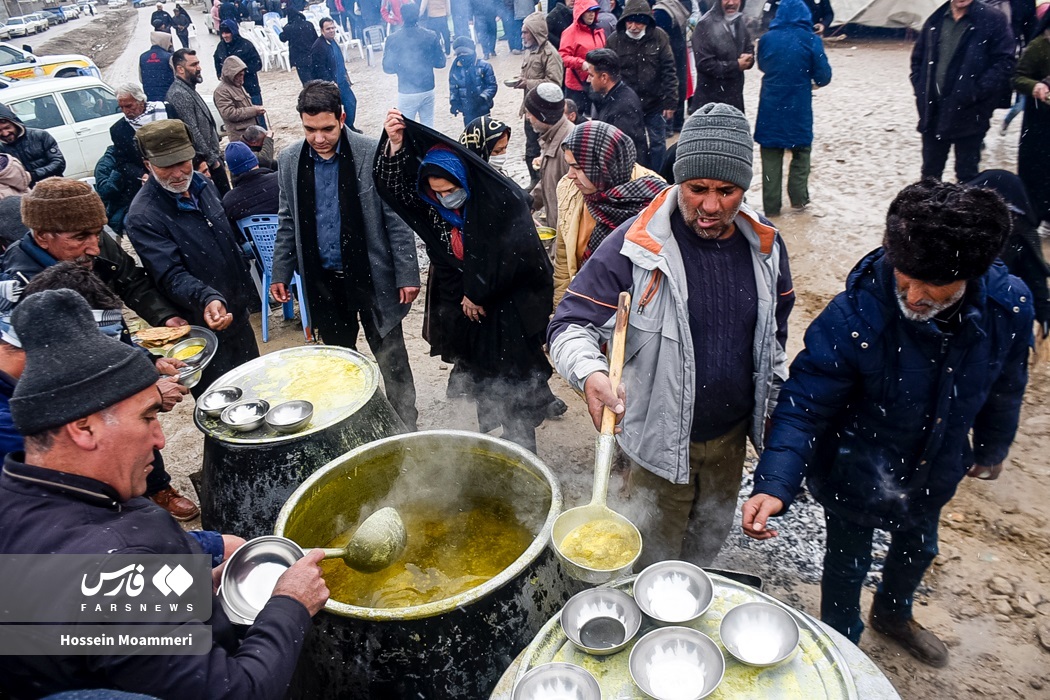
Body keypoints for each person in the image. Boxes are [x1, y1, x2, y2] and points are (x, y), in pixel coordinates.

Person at [742, 180, 1032, 667]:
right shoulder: (853, 317)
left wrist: (992, 447)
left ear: (971, 275)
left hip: (935, 467)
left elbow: (1005, 384)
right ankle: (842, 646)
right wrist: (774, 483)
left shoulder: (1007, 308)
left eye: (933, 285)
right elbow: (806, 404)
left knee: (920, 547)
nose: (914, 297)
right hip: (853, 471)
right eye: (906, 278)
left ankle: (894, 614)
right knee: (846, 564)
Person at [0, 288, 330, 698]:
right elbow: (238, 692)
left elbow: (77, 615)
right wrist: (290, 604)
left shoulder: (22, 496)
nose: (159, 439)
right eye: (147, 417)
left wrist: (191, 585)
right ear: (83, 428)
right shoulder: (113, 571)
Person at [549, 104, 794, 567]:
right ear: (678, 181)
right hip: (656, 445)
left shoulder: (765, 246)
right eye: (697, 189)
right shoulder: (635, 245)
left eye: (726, 191)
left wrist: (775, 416)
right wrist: (590, 373)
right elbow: (568, 326)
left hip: (730, 443)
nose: (710, 205)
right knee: (653, 558)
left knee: (705, 549)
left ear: (744, 188)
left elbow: (774, 338)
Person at [0, 178, 200, 519]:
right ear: (42, 235)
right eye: (81, 237)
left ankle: (155, 486)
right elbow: (63, 381)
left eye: (97, 233)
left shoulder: (86, 248)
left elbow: (116, 316)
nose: (94, 247)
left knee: (138, 429)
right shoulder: (21, 288)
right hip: (80, 421)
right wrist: (145, 391)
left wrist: (148, 360)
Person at [377, 109, 557, 450]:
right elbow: (397, 192)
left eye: (450, 190)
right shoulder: (439, 213)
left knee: (515, 388)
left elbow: (517, 260)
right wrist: (396, 146)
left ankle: (523, 451)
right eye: (437, 193)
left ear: (465, 181)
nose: (445, 198)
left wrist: (478, 292)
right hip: (470, 315)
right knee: (485, 382)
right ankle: (501, 447)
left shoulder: (497, 203)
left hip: (507, 312)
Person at [272, 83, 420, 428]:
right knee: (339, 362)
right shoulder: (290, 160)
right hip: (324, 282)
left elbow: (396, 218)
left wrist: (407, 274)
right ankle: (353, 424)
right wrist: (281, 270)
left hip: (372, 277)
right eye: (310, 130)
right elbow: (287, 219)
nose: (319, 138)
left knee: (392, 359)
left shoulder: (371, 151)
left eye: (327, 129)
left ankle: (406, 424)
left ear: (341, 118)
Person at [125, 120, 259, 396]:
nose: (177, 173)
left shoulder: (203, 184)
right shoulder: (143, 216)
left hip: (237, 312)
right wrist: (207, 297)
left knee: (257, 388)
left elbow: (226, 237)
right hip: (200, 330)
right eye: (166, 166)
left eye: (182, 162)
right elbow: (170, 275)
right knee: (221, 402)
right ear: (147, 164)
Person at [552, 120, 666, 306]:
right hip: (582, 304)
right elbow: (564, 261)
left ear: (603, 165)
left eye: (578, 167)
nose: (570, 175)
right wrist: (560, 310)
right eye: (569, 165)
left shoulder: (655, 196)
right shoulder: (568, 188)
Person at [910, 0, 1015, 182]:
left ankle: (962, 202)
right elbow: (918, 59)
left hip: (970, 112)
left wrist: (976, 92)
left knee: (967, 176)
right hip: (933, 110)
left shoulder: (992, 19)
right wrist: (921, 89)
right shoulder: (936, 19)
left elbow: (1005, 62)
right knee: (929, 175)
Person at [754, 0, 832, 216]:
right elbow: (824, 76)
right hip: (799, 107)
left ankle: (771, 209)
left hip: (770, 105)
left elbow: (762, 66)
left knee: (770, 155)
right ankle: (799, 202)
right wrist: (808, 80)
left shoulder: (766, 39)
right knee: (801, 152)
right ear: (805, 16)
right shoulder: (812, 40)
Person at [967, 169, 1050, 342]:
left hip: (995, 314)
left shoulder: (1022, 233)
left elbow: (1035, 275)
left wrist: (1043, 311)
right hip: (979, 313)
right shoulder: (956, 227)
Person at [605, 0, 677, 170]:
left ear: (646, 22)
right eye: (630, 22)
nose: (633, 27)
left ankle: (658, 174)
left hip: (654, 101)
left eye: (639, 22)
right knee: (630, 142)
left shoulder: (659, 37)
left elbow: (669, 69)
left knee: (658, 142)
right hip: (627, 104)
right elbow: (607, 71)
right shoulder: (614, 40)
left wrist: (670, 101)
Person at [166, 49, 230, 195]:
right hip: (205, 163)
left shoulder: (188, 88)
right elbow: (192, 130)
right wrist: (212, 160)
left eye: (198, 63)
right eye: (193, 65)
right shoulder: (178, 93)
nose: (199, 68)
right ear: (180, 69)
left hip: (211, 158)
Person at [515, 11, 563, 186]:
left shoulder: (551, 54)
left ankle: (547, 183)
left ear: (535, 32)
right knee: (530, 149)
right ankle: (534, 182)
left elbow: (555, 83)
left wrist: (528, 83)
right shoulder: (529, 51)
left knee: (545, 149)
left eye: (525, 32)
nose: (522, 35)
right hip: (530, 110)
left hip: (545, 113)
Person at [1013, 11, 1050, 224]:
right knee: (1037, 170)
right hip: (1040, 122)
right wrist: (1035, 86)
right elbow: (1017, 77)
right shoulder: (1039, 46)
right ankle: (1033, 215)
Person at [383, 4, 446, 128]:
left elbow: (387, 68)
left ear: (402, 16)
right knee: (428, 126)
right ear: (418, 15)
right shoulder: (430, 35)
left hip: (407, 91)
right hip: (427, 88)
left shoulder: (393, 39)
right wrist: (426, 60)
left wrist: (401, 66)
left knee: (405, 128)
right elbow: (441, 63)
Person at [112, 83, 172, 208]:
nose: (125, 111)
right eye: (121, 107)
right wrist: (142, 175)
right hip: (149, 183)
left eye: (129, 106)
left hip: (175, 170)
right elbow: (122, 162)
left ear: (141, 101)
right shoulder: (119, 130)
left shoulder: (165, 111)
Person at [584, 49, 648, 165]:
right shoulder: (612, 96)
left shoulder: (623, 108)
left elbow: (624, 152)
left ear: (604, 77)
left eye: (591, 75)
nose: (588, 80)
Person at [691, 0, 754, 114]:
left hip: (735, 99)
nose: (731, 3)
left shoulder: (739, 20)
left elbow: (748, 46)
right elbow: (704, 64)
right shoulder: (705, 24)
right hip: (710, 103)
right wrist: (736, 66)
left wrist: (749, 58)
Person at [526, 83, 574, 229]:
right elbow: (550, 181)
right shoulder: (552, 137)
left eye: (530, 113)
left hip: (568, 233)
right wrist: (529, 204)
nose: (527, 117)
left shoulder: (568, 145)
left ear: (542, 116)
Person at [309, 17, 360, 130]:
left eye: (333, 28)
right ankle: (341, 130)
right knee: (333, 109)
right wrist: (330, 82)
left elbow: (339, 60)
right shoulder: (318, 46)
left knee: (351, 102)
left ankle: (349, 127)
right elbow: (319, 68)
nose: (331, 31)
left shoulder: (333, 41)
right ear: (322, 30)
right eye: (328, 29)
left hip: (341, 81)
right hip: (330, 85)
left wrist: (346, 75)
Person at [0, 103, 64, 186]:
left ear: (15, 124)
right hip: (24, 191)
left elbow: (59, 163)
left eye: (7, 128)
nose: (5, 133)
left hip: (54, 186)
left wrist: (33, 175)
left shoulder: (40, 135)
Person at [560, 0, 606, 115]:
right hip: (576, 86)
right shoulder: (570, 32)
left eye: (594, 11)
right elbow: (563, 57)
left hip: (595, 83)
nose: (592, 14)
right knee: (575, 118)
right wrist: (582, 64)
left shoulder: (598, 31)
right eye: (588, 11)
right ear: (580, 12)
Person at [222, 141, 280, 228]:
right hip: (288, 233)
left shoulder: (229, 201)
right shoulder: (279, 180)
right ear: (255, 161)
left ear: (232, 171)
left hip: (253, 237)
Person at [652, 0, 690, 132]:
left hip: (668, 54)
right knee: (678, 82)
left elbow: (658, 38)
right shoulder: (678, 6)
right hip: (679, 52)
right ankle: (678, 122)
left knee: (668, 82)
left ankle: (668, 125)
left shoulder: (661, 11)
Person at [214, 20, 266, 115]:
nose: (225, 36)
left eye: (227, 32)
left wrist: (241, 72)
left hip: (250, 88)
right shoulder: (221, 46)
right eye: (223, 33)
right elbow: (217, 59)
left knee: (258, 116)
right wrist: (219, 73)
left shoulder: (246, 45)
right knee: (240, 117)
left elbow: (257, 64)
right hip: (232, 93)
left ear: (233, 32)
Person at [214, 55, 268, 143]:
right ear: (230, 74)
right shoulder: (221, 91)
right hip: (240, 137)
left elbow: (243, 105)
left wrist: (256, 109)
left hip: (251, 134)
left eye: (242, 75)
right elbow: (229, 113)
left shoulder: (238, 86)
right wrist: (254, 111)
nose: (241, 78)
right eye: (238, 75)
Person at [448, 36, 497, 126]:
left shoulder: (484, 66)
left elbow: (492, 86)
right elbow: (453, 88)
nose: (462, 56)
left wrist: (482, 98)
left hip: (483, 107)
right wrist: (454, 102)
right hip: (466, 109)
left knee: (484, 129)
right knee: (470, 131)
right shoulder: (456, 69)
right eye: (459, 53)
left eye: (465, 52)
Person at [94, 146, 133, 236]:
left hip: (142, 204)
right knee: (142, 222)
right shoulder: (106, 163)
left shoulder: (136, 156)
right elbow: (105, 192)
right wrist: (119, 171)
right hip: (120, 211)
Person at [280, 9, 319, 84]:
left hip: (300, 58)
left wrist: (286, 26)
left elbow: (282, 38)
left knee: (307, 82)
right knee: (316, 79)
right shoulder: (309, 24)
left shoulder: (289, 28)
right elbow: (315, 38)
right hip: (312, 55)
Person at [139, 31, 175, 102]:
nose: (170, 44)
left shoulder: (143, 57)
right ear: (163, 41)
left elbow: (141, 79)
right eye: (169, 41)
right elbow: (176, 76)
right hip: (168, 96)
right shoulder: (169, 57)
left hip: (150, 96)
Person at [762, 0, 834, 34]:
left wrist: (823, 24)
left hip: (810, 33)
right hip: (783, 33)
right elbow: (767, 13)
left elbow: (828, 13)